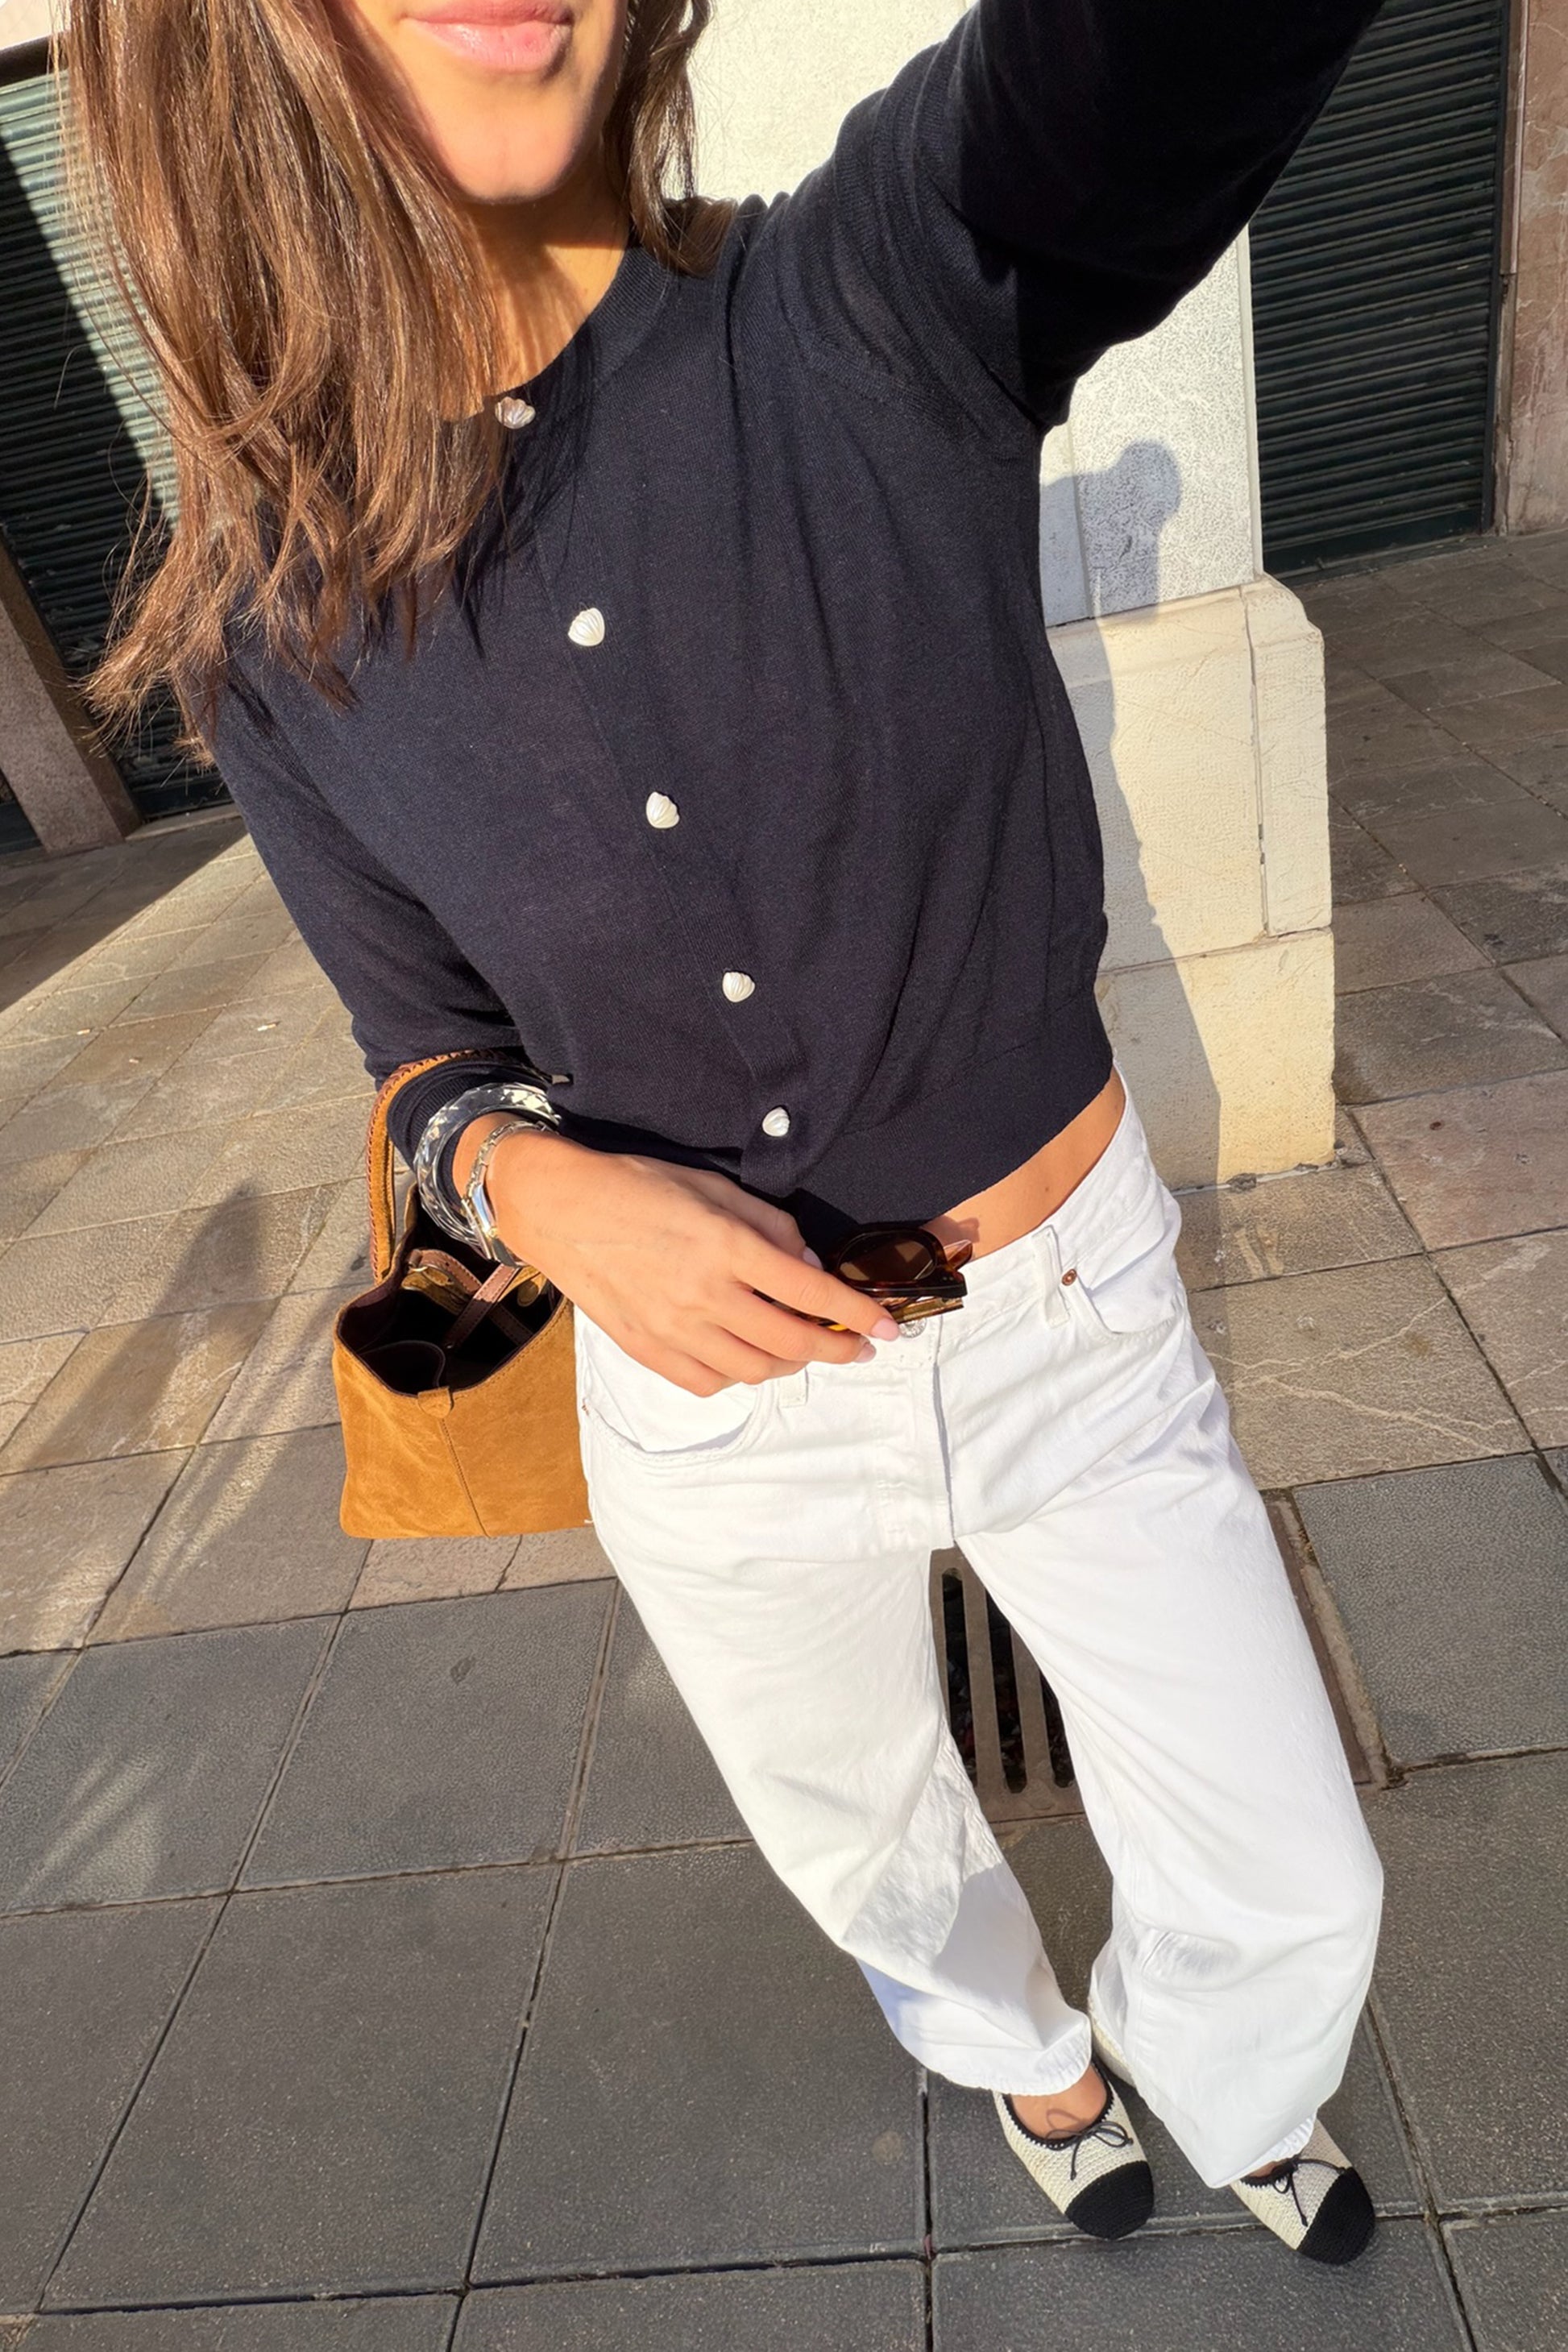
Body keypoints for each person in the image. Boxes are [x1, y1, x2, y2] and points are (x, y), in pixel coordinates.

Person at [70, 0, 1388, 2262]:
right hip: (706, 1411)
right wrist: (536, 1186)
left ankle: (1238, 2073)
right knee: (859, 1834)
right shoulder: (275, 625)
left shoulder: (876, 286)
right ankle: (1029, 2061)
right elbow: (420, 1048)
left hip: (1070, 1319)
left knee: (1294, 1863)